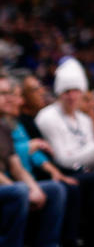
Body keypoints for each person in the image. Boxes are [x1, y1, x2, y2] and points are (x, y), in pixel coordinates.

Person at [34, 58, 94, 247]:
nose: (71, 96)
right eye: (66, 91)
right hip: (62, 174)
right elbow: (64, 160)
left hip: (84, 173)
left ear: (82, 92)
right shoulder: (47, 117)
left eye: (75, 91)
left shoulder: (84, 120)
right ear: (58, 93)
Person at [0, 75, 66, 247]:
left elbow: (16, 167)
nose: (10, 99)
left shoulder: (5, 127)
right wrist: (21, 188)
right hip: (5, 184)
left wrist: (34, 188)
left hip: (9, 183)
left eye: (9, 93)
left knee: (55, 189)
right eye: (3, 94)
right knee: (19, 191)